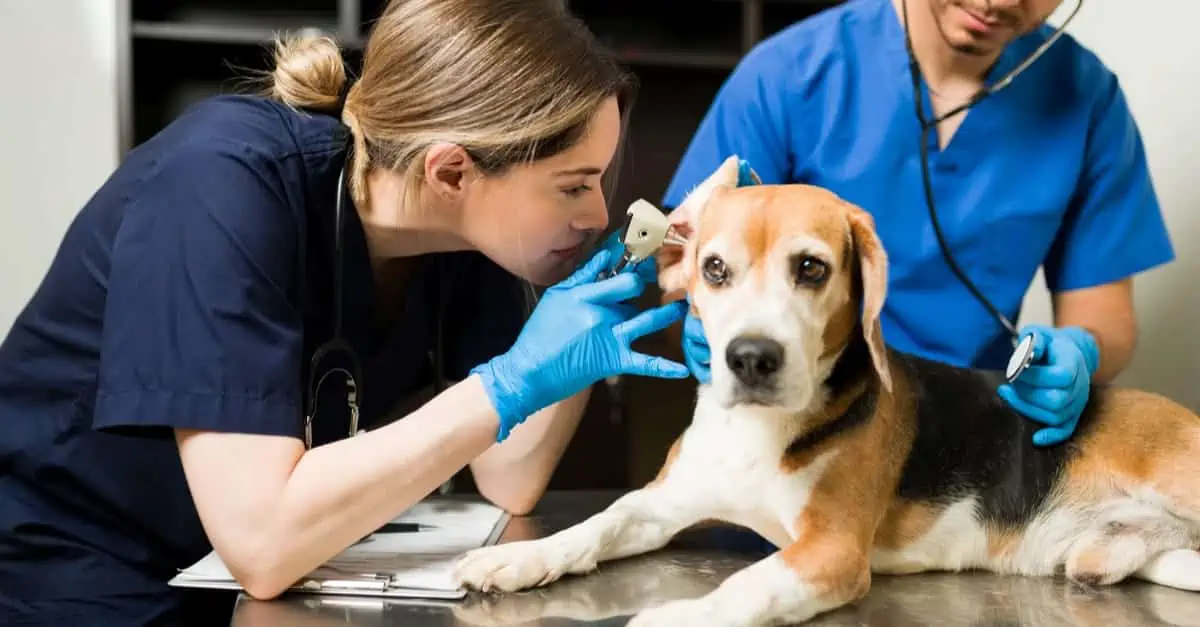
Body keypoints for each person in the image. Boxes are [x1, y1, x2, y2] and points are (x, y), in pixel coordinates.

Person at [0, 1, 687, 624]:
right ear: (450, 172)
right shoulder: (220, 184)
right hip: (67, 568)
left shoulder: (462, 236)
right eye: (574, 185)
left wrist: (576, 331)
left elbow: (510, 476)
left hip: (239, 576)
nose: (598, 214)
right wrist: (509, 382)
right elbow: (264, 539)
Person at [662, 0, 1173, 447]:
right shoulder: (787, 76)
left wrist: (1080, 354)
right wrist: (703, 323)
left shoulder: (1086, 99)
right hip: (800, 427)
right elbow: (686, 272)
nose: (997, 1)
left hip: (973, 436)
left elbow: (1104, 315)